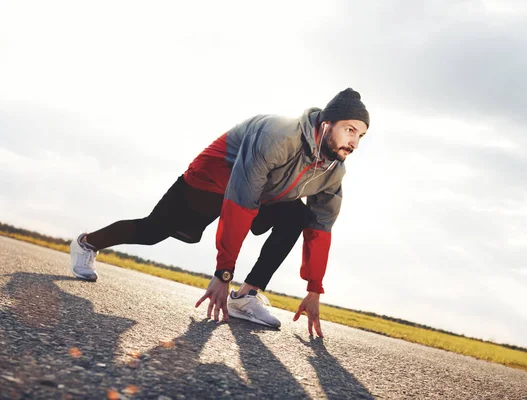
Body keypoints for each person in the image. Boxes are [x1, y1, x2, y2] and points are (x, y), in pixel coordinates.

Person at [70, 88, 370, 337]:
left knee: (298, 216)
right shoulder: (279, 135)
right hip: (212, 179)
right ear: (327, 124)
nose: (354, 142)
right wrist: (223, 273)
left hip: (264, 192)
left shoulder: (333, 170)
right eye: (350, 130)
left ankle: (246, 295)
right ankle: (87, 243)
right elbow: (241, 200)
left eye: (361, 136)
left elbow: (321, 227)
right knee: (153, 233)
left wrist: (314, 289)